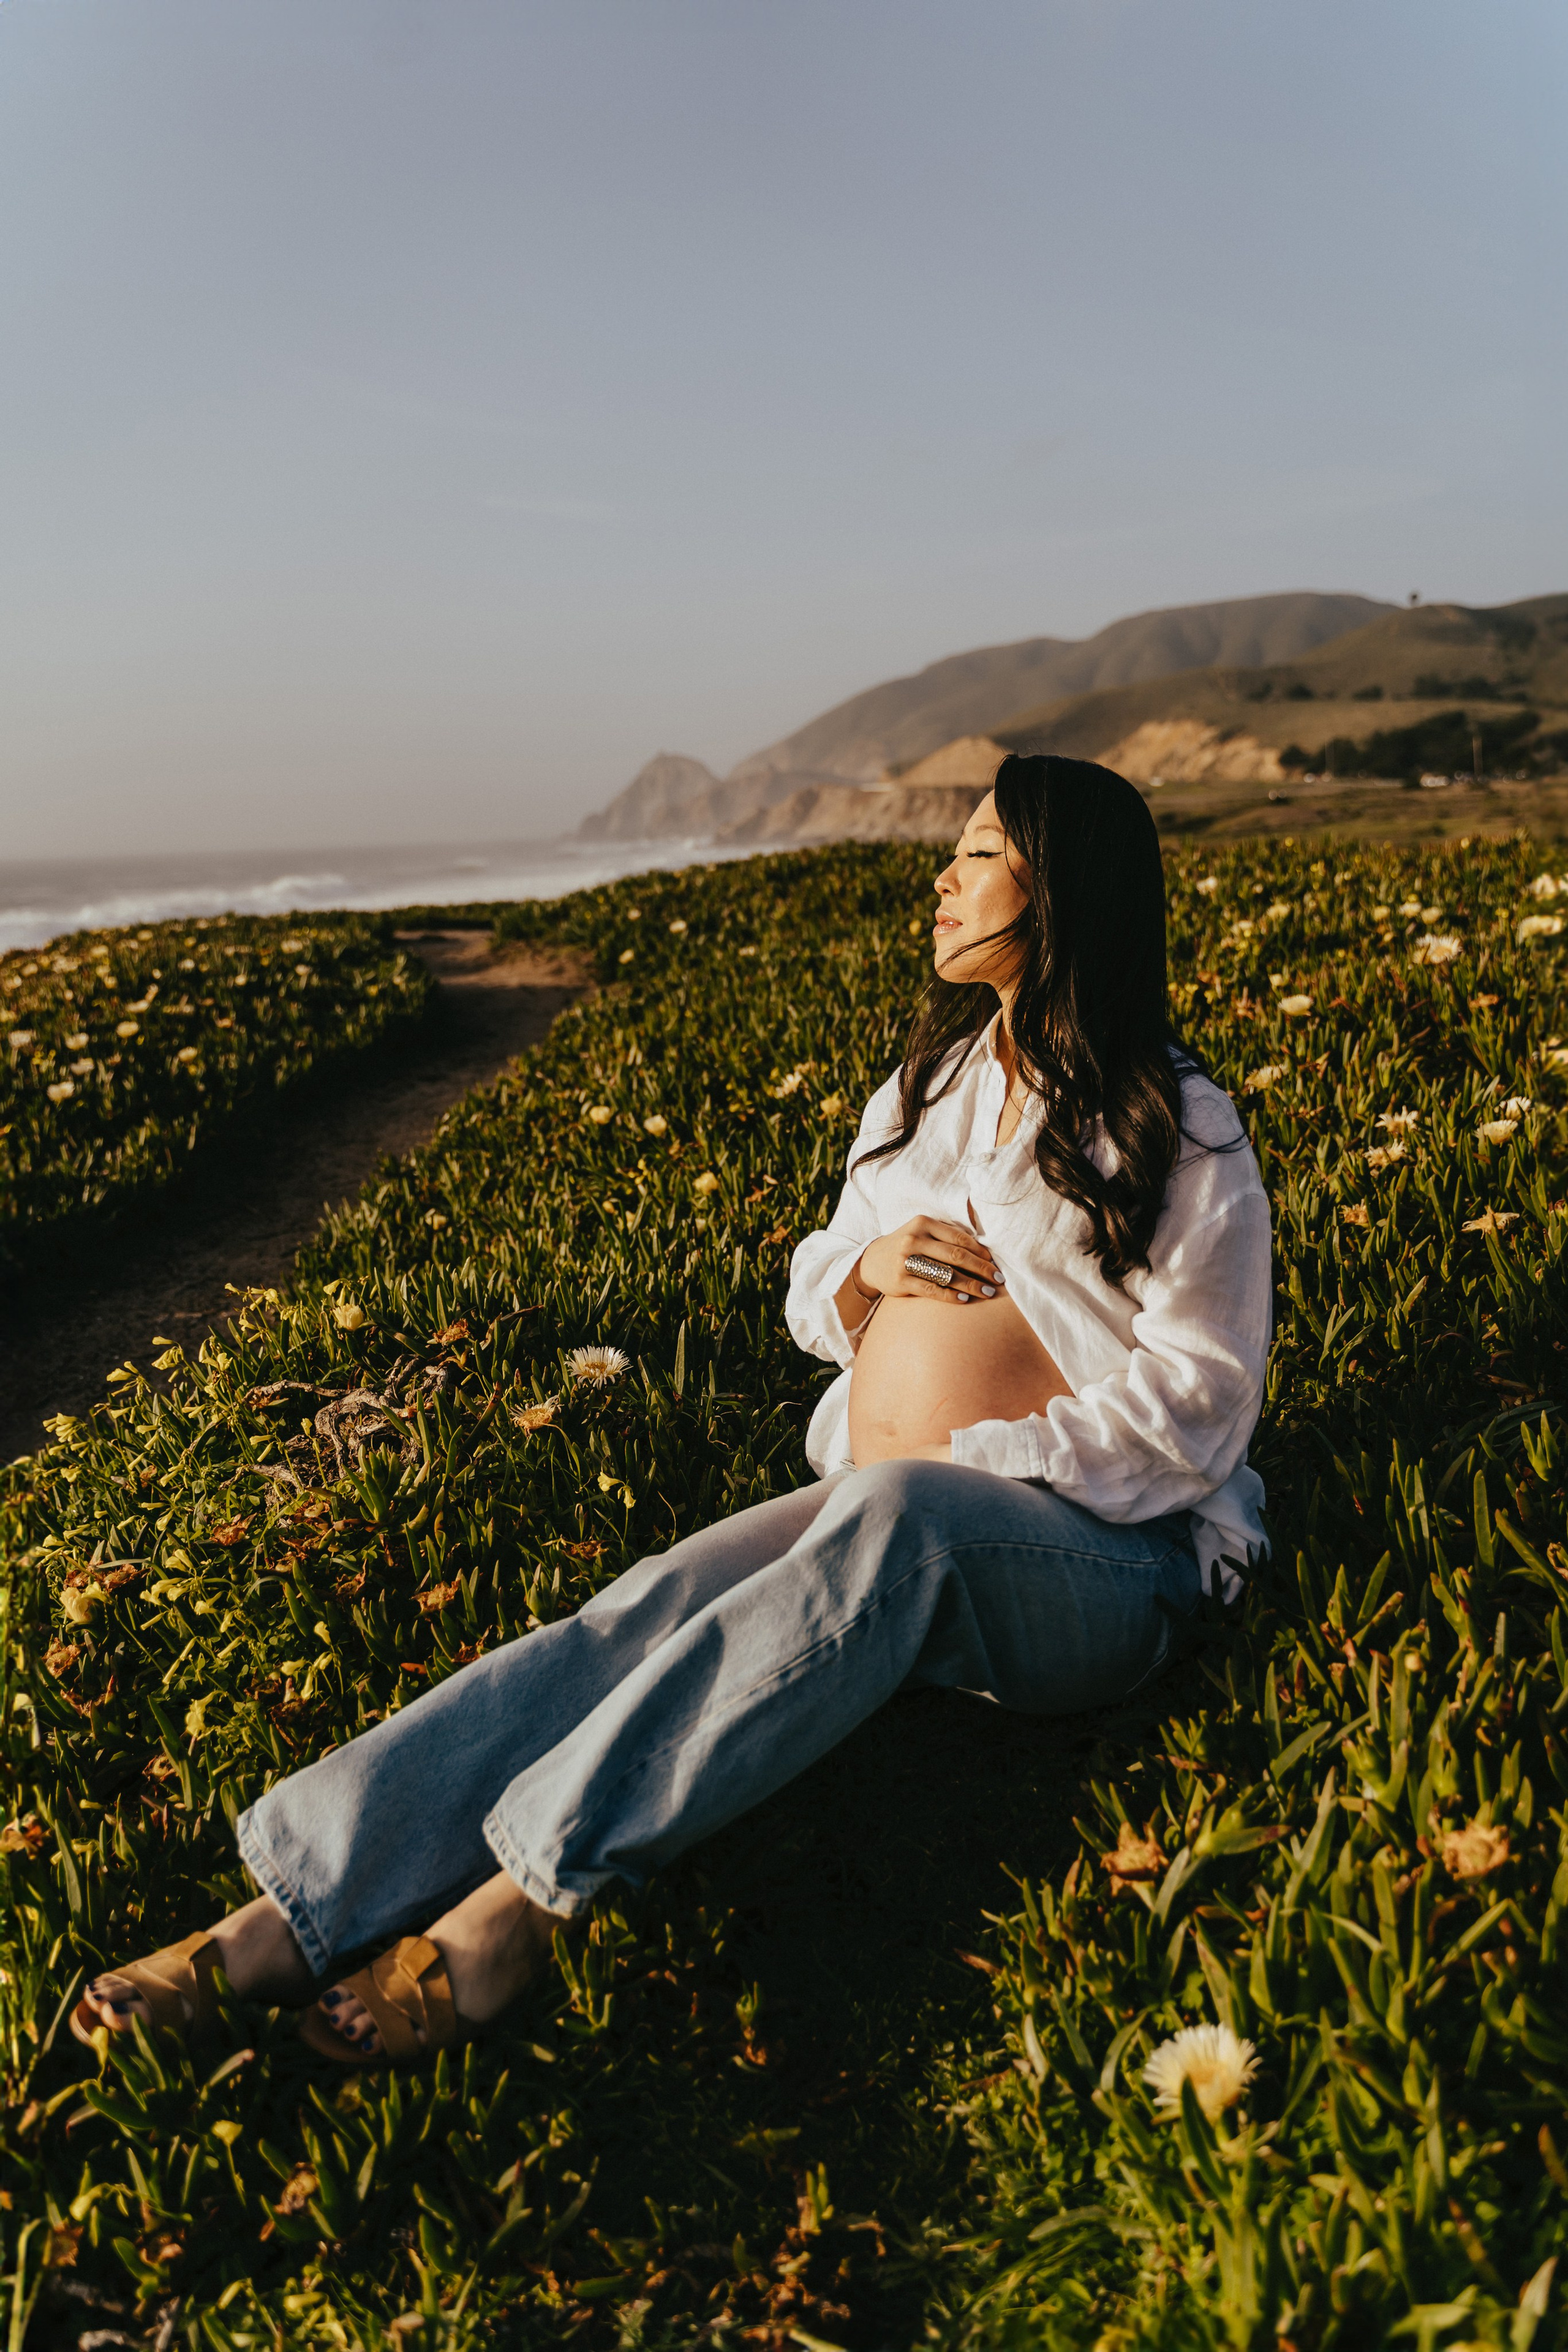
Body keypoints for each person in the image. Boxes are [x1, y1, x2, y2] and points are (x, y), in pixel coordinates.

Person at [74, 755, 1272, 2067]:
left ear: (1064, 891)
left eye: (979, 853)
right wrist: (867, 1275)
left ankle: (515, 1910)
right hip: (883, 1524)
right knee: (644, 1603)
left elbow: (1201, 1404)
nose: (941, 877)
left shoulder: (1176, 1121)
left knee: (898, 1517)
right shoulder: (925, 1096)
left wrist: (975, 1465)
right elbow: (817, 1292)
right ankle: (279, 1918)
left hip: (1106, 1565)